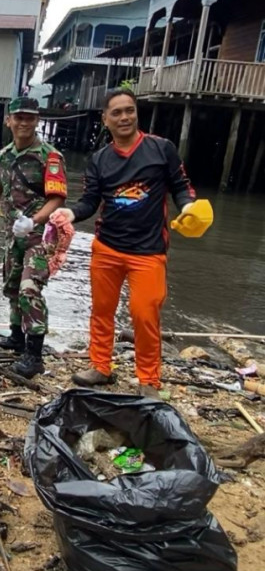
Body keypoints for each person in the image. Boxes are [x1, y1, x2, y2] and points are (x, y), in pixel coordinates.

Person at [53, 88, 197, 398]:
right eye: (116, 112)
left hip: (149, 251)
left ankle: (148, 380)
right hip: (107, 248)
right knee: (101, 310)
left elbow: (182, 186)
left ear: (136, 113)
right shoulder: (100, 160)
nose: (124, 117)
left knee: (145, 313)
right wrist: (70, 212)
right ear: (105, 119)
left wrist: (188, 207)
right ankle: (101, 366)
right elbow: (90, 202)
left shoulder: (162, 149)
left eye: (129, 110)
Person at [0, 96, 67, 378]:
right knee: (12, 287)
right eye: (19, 117)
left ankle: (34, 354)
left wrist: (34, 220)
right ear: (9, 120)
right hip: (11, 235)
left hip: (40, 236)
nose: (24, 123)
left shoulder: (49, 156)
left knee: (30, 288)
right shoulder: (2, 156)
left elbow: (57, 198)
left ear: (37, 121)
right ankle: (16, 337)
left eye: (30, 118)